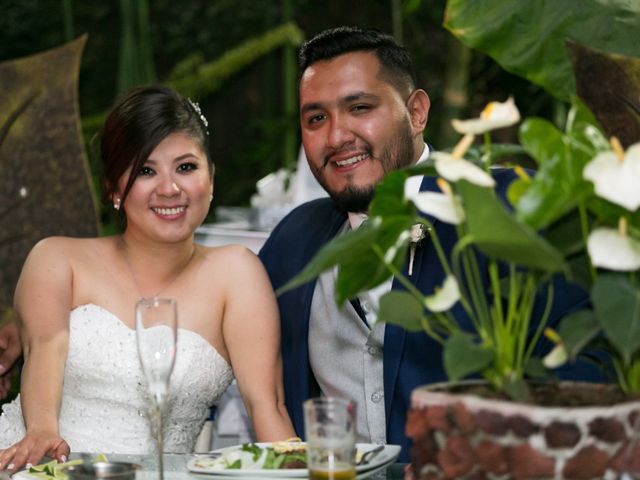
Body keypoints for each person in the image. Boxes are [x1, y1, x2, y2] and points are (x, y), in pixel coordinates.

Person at [258, 26, 590, 462]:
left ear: (416, 112)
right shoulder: (294, 242)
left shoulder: (509, 209)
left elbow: (583, 378)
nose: (336, 137)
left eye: (360, 107)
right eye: (316, 118)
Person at [0, 85, 295, 471]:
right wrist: (41, 433)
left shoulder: (237, 274)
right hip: (37, 466)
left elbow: (267, 404)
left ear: (211, 178)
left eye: (186, 167)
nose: (169, 188)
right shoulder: (57, 259)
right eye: (145, 170)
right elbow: (45, 348)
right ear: (113, 188)